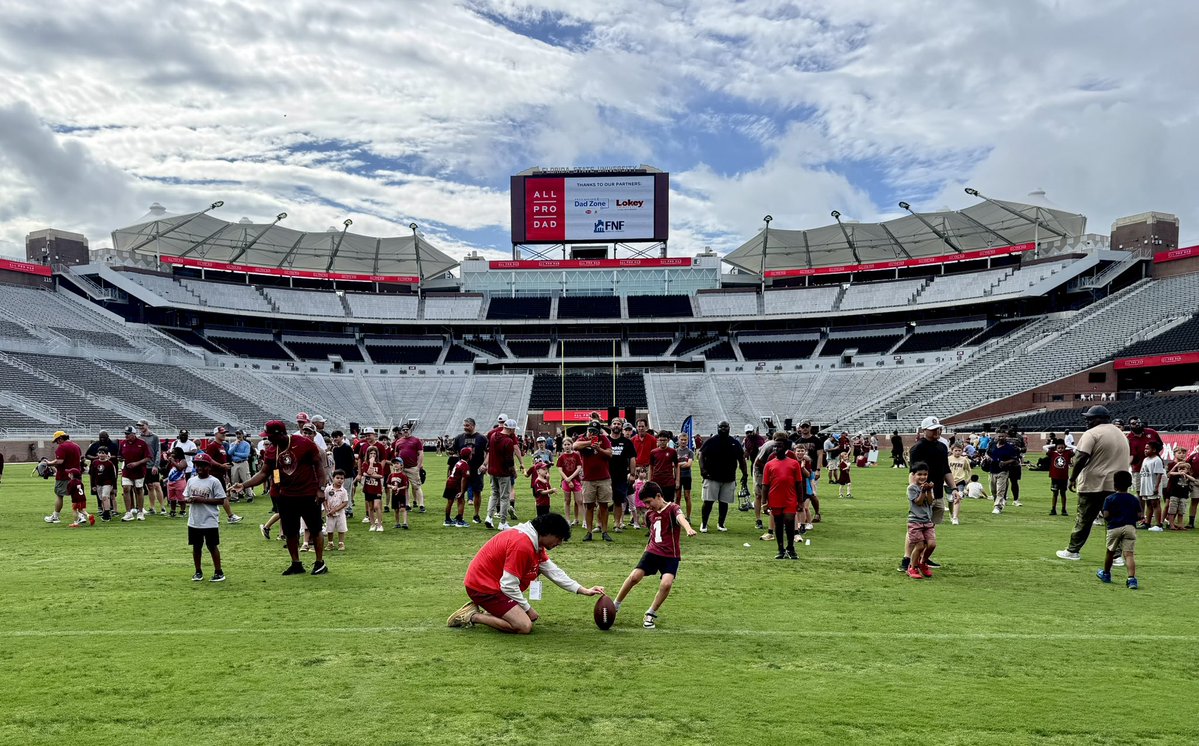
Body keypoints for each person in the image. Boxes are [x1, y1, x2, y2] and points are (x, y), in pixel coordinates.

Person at [447, 513, 606, 634]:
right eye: (558, 538)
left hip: (490, 585)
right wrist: (528, 609)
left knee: (520, 618)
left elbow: (553, 571)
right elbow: (508, 585)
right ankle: (472, 616)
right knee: (524, 626)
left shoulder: (533, 540)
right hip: (483, 588)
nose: (559, 543)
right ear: (548, 533)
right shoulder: (523, 544)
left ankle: (494, 611)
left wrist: (582, 589)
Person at [232, 420, 329, 576]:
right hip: (287, 496)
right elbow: (264, 473)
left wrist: (321, 488)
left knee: (315, 528)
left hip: (308, 494)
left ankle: (319, 562)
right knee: (290, 532)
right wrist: (244, 485)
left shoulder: (303, 443)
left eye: (270, 436)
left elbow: (319, 466)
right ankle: (296, 563)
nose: (268, 439)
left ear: (280, 434)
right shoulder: (272, 451)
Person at [612, 481, 697, 629]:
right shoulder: (650, 514)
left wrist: (688, 528)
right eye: (644, 503)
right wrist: (646, 549)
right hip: (652, 552)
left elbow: (680, 518)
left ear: (658, 496)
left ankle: (650, 613)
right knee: (634, 577)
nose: (647, 506)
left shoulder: (672, 508)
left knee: (666, 583)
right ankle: (615, 605)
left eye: (648, 502)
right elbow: (653, 533)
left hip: (671, 555)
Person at [1057, 406, 1131, 562]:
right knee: (1114, 520)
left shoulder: (1092, 433)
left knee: (1084, 518)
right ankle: (1117, 556)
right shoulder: (1121, 434)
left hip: (1093, 483)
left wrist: (1072, 478)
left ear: (1100, 419)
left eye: (1090, 418)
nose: (1087, 420)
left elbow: (1081, 457)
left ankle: (1073, 550)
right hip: (1116, 484)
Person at [898, 417, 956, 574]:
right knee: (915, 528)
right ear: (924, 430)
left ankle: (923, 557)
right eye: (933, 429)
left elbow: (946, 470)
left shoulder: (942, 447)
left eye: (938, 428)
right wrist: (915, 491)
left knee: (929, 527)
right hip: (922, 494)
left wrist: (954, 488)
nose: (937, 431)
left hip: (936, 492)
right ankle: (907, 558)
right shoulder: (918, 448)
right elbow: (913, 472)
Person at [697, 421, 748, 533]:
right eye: (721, 427)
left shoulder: (734, 442)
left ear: (729, 428)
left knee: (724, 502)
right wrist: (703, 470)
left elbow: (741, 459)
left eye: (726, 427)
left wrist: (745, 474)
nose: (724, 429)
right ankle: (704, 524)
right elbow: (701, 455)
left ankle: (721, 524)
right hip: (712, 476)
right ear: (717, 428)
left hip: (729, 477)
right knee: (708, 501)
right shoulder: (711, 441)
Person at [762, 433, 804, 559]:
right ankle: (780, 549)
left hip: (790, 498)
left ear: (785, 447)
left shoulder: (794, 463)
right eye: (775, 447)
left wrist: (800, 501)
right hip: (775, 497)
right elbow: (765, 485)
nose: (776, 449)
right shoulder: (769, 464)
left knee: (790, 521)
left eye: (779, 447)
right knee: (778, 523)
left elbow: (799, 483)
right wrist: (764, 502)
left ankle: (791, 548)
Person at [185, 453, 226, 582]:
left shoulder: (214, 481)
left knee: (212, 546)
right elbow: (185, 496)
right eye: (197, 465)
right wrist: (188, 500)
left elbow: (220, 500)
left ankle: (218, 571)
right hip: (194, 520)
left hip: (209, 520)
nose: (199, 468)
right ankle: (198, 571)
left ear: (209, 467)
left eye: (203, 465)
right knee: (196, 547)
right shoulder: (191, 480)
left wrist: (201, 500)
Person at [1096, 471, 1140, 589]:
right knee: (1129, 554)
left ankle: (1106, 574)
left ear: (1114, 485)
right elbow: (1140, 515)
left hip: (1114, 527)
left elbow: (1105, 515)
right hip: (1130, 527)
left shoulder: (1110, 498)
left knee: (1110, 552)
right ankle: (1131, 579)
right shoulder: (1134, 499)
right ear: (1130, 484)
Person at [574, 420, 613, 542]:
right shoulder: (582, 438)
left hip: (603, 477)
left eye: (595, 432)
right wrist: (590, 442)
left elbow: (610, 454)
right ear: (587, 430)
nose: (592, 433)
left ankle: (604, 531)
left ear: (599, 431)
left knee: (604, 505)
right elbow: (575, 446)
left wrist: (599, 448)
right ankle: (589, 532)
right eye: (590, 431)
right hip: (588, 479)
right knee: (589, 505)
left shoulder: (603, 439)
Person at [450, 419, 489, 524]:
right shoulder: (459, 438)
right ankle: (459, 516)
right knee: (460, 493)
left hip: (476, 470)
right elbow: (454, 452)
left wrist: (484, 464)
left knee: (477, 492)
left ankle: (476, 515)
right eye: (464, 425)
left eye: (467, 425)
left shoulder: (481, 438)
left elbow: (489, 452)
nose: (465, 427)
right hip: (462, 471)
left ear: (473, 426)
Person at [486, 419, 522, 531]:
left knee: (494, 494)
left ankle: (489, 517)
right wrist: (514, 472)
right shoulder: (508, 441)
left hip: (492, 470)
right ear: (510, 429)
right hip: (503, 472)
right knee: (505, 497)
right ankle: (503, 522)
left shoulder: (493, 436)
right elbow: (509, 460)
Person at [42, 430, 83, 525]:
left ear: (60, 438)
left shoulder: (62, 447)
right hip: (76, 475)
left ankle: (55, 516)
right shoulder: (76, 446)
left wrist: (49, 463)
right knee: (76, 496)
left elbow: (59, 461)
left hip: (64, 475)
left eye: (57, 441)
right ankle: (81, 515)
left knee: (59, 495)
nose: (57, 443)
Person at [906, 462, 937, 579]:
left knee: (932, 544)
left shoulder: (928, 487)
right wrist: (923, 491)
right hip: (915, 521)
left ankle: (923, 562)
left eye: (925, 474)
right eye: (919, 474)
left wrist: (929, 491)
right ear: (913, 475)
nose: (923, 477)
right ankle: (912, 568)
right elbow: (918, 502)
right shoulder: (912, 488)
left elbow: (930, 502)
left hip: (927, 521)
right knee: (919, 546)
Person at [117, 427, 151, 522]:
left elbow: (148, 457)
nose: (126, 436)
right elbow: (120, 455)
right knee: (126, 488)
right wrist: (120, 458)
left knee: (139, 489)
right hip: (127, 470)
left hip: (139, 470)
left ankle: (140, 511)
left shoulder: (142, 443)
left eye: (128, 434)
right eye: (125, 434)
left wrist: (137, 463)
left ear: (134, 434)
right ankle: (128, 512)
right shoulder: (123, 443)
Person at [608, 422, 637, 532]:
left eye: (619, 424)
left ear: (621, 427)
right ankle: (600, 524)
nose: (616, 425)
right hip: (606, 475)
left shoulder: (627, 442)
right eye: (614, 423)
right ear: (610, 426)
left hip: (621, 475)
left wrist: (633, 474)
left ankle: (617, 524)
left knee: (618, 501)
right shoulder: (605, 440)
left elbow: (632, 458)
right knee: (603, 501)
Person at [393, 424, 426, 514]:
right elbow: (396, 454)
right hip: (402, 468)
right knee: (404, 487)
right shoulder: (398, 441)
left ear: (410, 430)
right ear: (401, 431)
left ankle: (421, 505)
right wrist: (397, 467)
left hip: (412, 467)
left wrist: (418, 466)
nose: (405, 431)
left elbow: (421, 453)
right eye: (404, 430)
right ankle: (407, 504)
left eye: (407, 429)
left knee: (416, 486)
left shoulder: (416, 440)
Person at [985, 433, 1021, 514]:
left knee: (1000, 490)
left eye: (1002, 436)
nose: (1000, 438)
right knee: (993, 490)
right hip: (992, 470)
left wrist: (1005, 462)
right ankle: (996, 502)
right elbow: (987, 453)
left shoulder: (1009, 447)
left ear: (1006, 437)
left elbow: (1014, 459)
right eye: (999, 436)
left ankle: (998, 506)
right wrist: (988, 458)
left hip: (1003, 470)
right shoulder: (992, 444)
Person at [136, 420, 164, 518]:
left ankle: (162, 507)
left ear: (147, 425)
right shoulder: (139, 438)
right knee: (150, 486)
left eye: (142, 425)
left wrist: (156, 465)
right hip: (144, 466)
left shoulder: (154, 437)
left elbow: (157, 451)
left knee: (156, 485)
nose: (140, 427)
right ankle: (152, 507)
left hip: (152, 465)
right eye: (139, 426)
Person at [1137, 442, 1166, 532]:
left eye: (1147, 448)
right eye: (1145, 448)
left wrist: (1156, 486)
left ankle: (1158, 524)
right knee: (1148, 503)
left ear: (1154, 450)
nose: (1145, 450)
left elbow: (1159, 474)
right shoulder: (1145, 459)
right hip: (1146, 484)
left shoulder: (1157, 460)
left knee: (1155, 503)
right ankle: (1147, 523)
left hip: (1152, 484)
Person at [556, 438, 584, 527]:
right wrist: (567, 479)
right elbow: (560, 470)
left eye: (568, 444)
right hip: (565, 481)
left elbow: (579, 467)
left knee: (579, 501)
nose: (567, 446)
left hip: (576, 480)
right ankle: (567, 520)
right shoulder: (561, 457)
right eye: (565, 445)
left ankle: (584, 520)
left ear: (572, 445)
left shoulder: (576, 455)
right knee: (567, 500)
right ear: (562, 446)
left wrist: (571, 478)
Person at [358, 446, 386, 532]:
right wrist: (371, 464)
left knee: (377, 506)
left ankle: (380, 525)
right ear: (368, 454)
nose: (373, 455)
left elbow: (380, 476)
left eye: (374, 453)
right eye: (371, 453)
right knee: (370, 507)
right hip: (368, 488)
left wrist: (369, 475)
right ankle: (372, 524)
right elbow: (367, 472)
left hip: (377, 488)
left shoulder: (379, 464)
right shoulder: (365, 464)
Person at [329, 431, 356, 517]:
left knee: (346, 492)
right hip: (338, 475)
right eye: (333, 437)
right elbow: (335, 463)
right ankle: (342, 509)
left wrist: (346, 473)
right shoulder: (335, 449)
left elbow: (352, 462)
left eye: (336, 437)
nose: (335, 439)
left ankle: (349, 510)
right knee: (339, 492)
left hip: (347, 475)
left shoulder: (347, 448)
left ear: (341, 437)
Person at [88, 447, 118, 521]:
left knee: (105, 497)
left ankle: (107, 514)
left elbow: (113, 476)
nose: (101, 455)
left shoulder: (109, 464)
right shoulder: (95, 463)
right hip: (98, 483)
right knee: (101, 498)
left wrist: (114, 487)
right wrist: (93, 485)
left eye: (103, 453)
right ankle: (105, 511)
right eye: (100, 453)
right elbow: (93, 475)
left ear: (107, 454)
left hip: (107, 483)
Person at [648, 431, 679, 504]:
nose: (662, 442)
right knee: (657, 502)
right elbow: (651, 467)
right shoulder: (653, 452)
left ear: (668, 440)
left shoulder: (672, 452)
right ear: (657, 440)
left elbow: (676, 466)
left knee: (669, 503)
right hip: (656, 481)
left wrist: (677, 480)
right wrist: (649, 481)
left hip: (669, 482)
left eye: (664, 440)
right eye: (660, 440)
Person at [444, 447, 472, 527]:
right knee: (461, 500)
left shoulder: (459, 462)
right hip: (456, 484)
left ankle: (447, 520)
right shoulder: (465, 465)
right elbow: (464, 479)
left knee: (450, 501)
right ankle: (459, 521)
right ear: (469, 456)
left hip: (449, 482)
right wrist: (462, 491)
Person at [1164, 460, 1195, 531]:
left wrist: (1186, 475)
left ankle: (1180, 525)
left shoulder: (1188, 477)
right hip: (1174, 495)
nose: (1181, 470)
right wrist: (1178, 472)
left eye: (1183, 469)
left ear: (1187, 470)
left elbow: (1193, 479)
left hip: (1183, 496)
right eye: (1180, 468)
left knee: (1181, 511)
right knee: (1172, 511)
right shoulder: (1175, 475)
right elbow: (1169, 474)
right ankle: (1171, 525)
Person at [324, 470, 349, 552]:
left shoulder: (344, 491)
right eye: (337, 478)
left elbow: (345, 502)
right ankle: (330, 543)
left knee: (341, 528)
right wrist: (327, 508)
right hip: (329, 513)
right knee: (329, 528)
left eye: (342, 478)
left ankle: (341, 543)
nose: (339, 480)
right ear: (333, 478)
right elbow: (324, 499)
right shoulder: (328, 489)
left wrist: (336, 509)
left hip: (340, 513)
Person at [227, 430, 254, 501]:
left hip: (243, 462)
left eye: (240, 434)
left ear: (243, 435)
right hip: (235, 463)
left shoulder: (246, 444)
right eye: (237, 434)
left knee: (246, 479)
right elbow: (229, 453)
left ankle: (249, 495)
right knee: (234, 480)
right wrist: (236, 445)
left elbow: (246, 455)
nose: (238, 436)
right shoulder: (233, 444)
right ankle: (234, 496)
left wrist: (235, 453)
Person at [948, 444, 971, 525]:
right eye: (956, 450)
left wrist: (968, 479)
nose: (958, 452)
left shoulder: (964, 460)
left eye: (959, 450)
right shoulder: (948, 459)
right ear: (952, 450)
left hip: (960, 481)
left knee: (957, 498)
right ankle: (951, 514)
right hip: (948, 482)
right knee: (950, 500)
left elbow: (968, 470)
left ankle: (955, 517)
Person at [1048, 441, 1072, 516]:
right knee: (1055, 493)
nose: (1061, 449)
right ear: (1056, 448)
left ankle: (1063, 509)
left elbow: (1076, 448)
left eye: (1062, 448)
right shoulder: (1053, 453)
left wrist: (1067, 446)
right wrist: (1054, 445)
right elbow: (1044, 447)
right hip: (1055, 477)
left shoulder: (1067, 453)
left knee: (1063, 493)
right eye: (1059, 448)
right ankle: (1053, 509)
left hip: (1064, 477)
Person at [387, 456, 411, 530]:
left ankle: (405, 523)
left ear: (401, 465)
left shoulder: (403, 475)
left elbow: (406, 486)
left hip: (401, 495)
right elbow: (387, 484)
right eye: (394, 463)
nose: (395, 465)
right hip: (394, 495)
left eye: (397, 463)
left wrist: (399, 488)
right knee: (396, 509)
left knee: (403, 508)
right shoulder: (391, 475)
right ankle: (397, 523)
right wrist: (391, 487)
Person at [676, 432, 695, 522]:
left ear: (687, 441)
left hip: (687, 476)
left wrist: (679, 465)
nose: (683, 441)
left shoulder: (690, 452)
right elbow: (674, 465)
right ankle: (676, 515)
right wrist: (681, 464)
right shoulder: (675, 451)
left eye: (685, 440)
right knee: (677, 497)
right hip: (677, 476)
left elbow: (689, 464)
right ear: (678, 440)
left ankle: (688, 517)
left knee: (687, 496)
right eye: (682, 440)